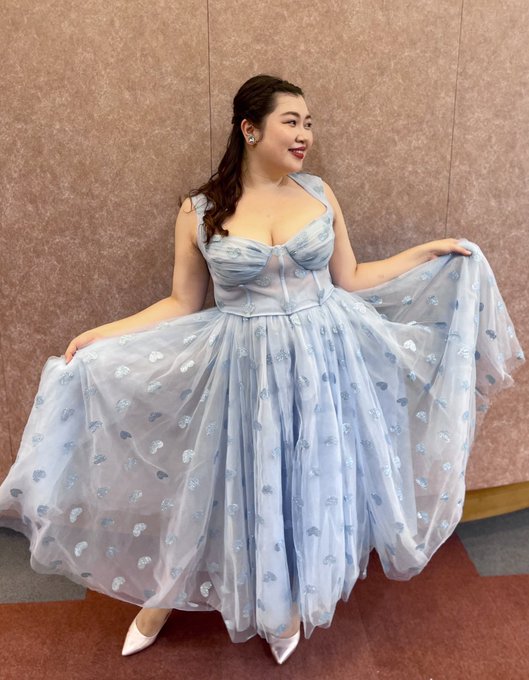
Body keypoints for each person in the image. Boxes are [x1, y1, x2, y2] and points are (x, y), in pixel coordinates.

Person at [0, 74, 524, 665]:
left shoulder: (318, 193)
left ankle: (287, 604)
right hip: (241, 368)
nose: (305, 135)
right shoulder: (199, 210)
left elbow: (351, 277)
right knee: (220, 482)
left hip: (324, 362)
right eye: (291, 122)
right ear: (250, 130)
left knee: (309, 478)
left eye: (309, 123)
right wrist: (102, 335)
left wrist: (427, 252)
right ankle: (162, 597)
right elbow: (181, 302)